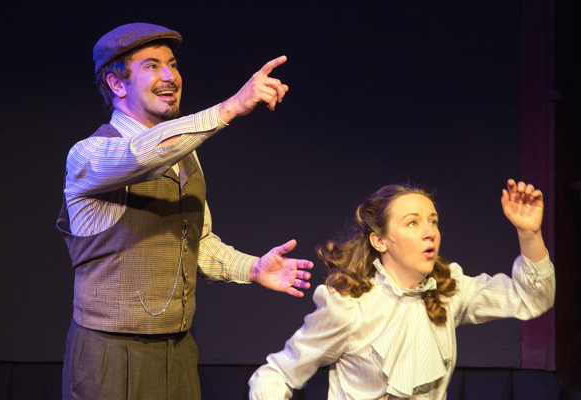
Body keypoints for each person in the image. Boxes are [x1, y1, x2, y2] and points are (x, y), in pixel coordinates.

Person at [56, 22, 313, 400]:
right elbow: (142, 157)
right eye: (152, 66)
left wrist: (253, 268)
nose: (169, 76)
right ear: (116, 84)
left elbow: (196, 242)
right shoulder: (89, 154)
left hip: (177, 350)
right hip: (110, 355)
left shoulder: (185, 155)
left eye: (172, 64)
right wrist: (228, 109)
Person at [249, 180, 555, 399]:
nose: (429, 232)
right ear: (380, 241)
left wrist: (529, 234)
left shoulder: (450, 289)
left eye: (433, 221)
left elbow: (532, 298)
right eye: (412, 223)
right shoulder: (349, 306)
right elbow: (276, 374)